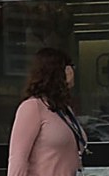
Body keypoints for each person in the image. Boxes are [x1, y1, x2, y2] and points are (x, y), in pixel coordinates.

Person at [7, 47, 89, 176]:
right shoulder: (33, 107)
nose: (73, 71)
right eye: (70, 66)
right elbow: (18, 159)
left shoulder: (63, 109)